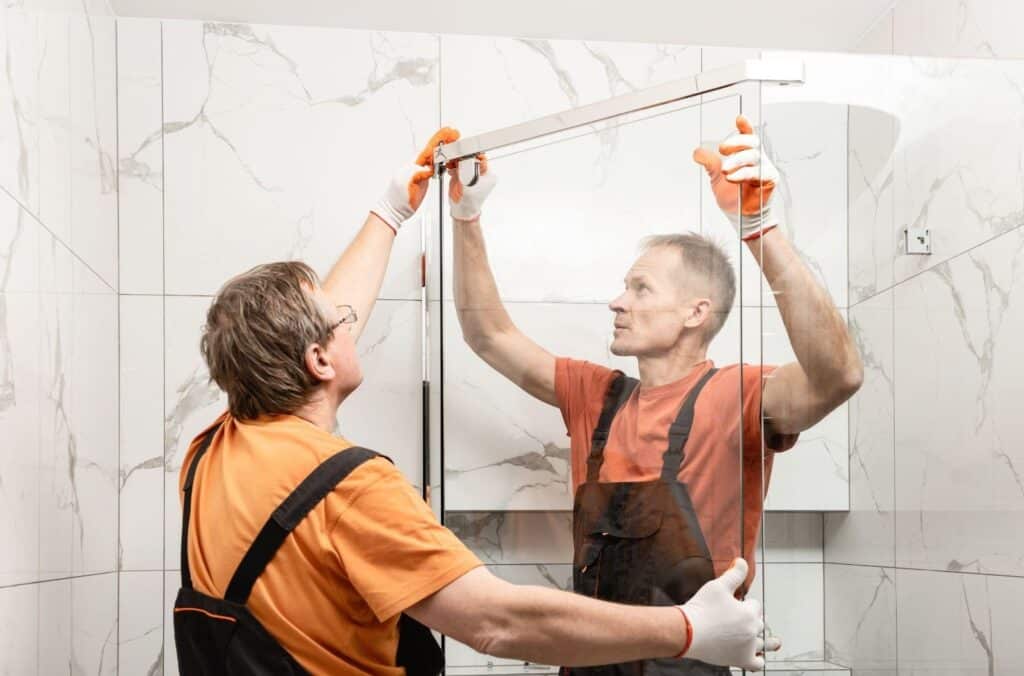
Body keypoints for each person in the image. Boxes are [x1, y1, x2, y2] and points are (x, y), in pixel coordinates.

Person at [172, 128, 780, 675]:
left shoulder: (214, 450)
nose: (351, 320)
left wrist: (389, 212)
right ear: (320, 360)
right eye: (343, 322)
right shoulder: (349, 487)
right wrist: (691, 629)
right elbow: (497, 621)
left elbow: (295, 340)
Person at [450, 116, 863, 675]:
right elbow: (489, 335)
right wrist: (466, 217)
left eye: (640, 288)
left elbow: (839, 375)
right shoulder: (596, 396)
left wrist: (760, 227)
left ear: (696, 312)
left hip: (692, 663)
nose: (617, 302)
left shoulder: (739, 394)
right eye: (624, 287)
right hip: (590, 662)